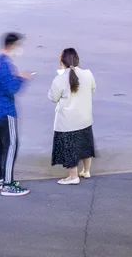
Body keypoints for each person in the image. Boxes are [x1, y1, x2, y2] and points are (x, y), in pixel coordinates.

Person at [0, 32, 33, 195]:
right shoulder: (6, 66)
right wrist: (22, 78)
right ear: (13, 46)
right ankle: (8, 184)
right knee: (11, 146)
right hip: (7, 112)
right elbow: (13, 89)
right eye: (19, 46)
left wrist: (13, 77)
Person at [48, 48, 96, 185]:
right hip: (85, 118)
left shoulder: (59, 79)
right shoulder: (88, 74)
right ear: (77, 60)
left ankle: (73, 176)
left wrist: (61, 75)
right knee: (85, 144)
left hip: (67, 122)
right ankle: (86, 171)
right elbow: (93, 89)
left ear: (62, 62)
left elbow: (53, 97)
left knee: (69, 148)